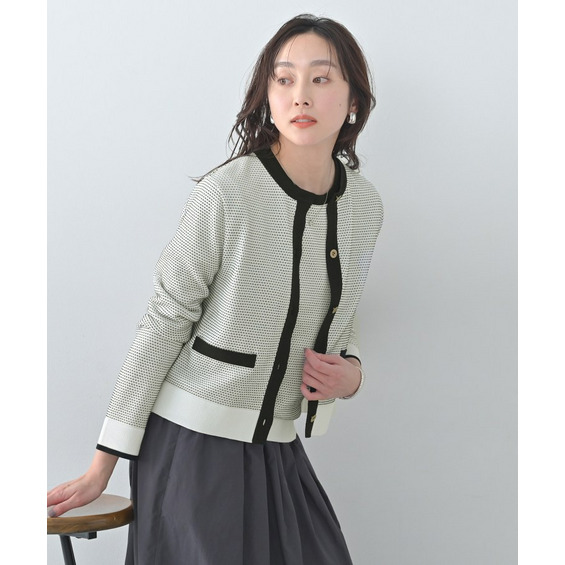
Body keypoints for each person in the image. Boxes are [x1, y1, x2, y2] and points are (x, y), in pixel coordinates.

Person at [47, 13, 384, 565]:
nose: (300, 95)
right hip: (191, 445)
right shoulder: (227, 192)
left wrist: (352, 376)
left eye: (321, 78)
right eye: (284, 79)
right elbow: (163, 322)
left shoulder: (364, 206)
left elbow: (340, 318)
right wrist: (102, 464)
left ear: (353, 101)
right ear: (267, 96)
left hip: (275, 446)